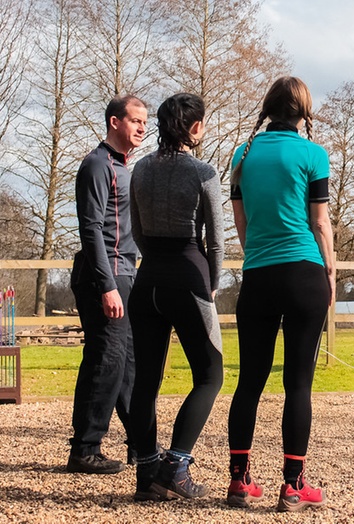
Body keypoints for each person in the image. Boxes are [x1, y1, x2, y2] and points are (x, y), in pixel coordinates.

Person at [226, 76, 335, 512]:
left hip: (258, 273)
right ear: (303, 113)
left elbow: (241, 223)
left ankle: (239, 481)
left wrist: (256, 255)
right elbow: (321, 223)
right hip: (303, 271)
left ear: (268, 109)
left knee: (249, 380)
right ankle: (293, 486)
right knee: (298, 383)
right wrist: (329, 273)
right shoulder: (313, 154)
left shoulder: (243, 154)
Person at [127, 93, 225, 501]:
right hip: (188, 278)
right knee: (210, 375)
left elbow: (136, 230)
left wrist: (154, 262)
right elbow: (216, 241)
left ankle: (147, 472)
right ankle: (176, 466)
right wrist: (213, 282)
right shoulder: (204, 172)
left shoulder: (139, 171)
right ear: (195, 128)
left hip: (147, 280)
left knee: (145, 380)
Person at [68, 95, 147, 474]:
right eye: (135, 120)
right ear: (115, 122)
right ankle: (84, 449)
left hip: (126, 274)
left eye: (145, 122)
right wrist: (107, 285)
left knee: (129, 362)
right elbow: (91, 229)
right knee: (106, 359)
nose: (142, 127)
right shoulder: (98, 165)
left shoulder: (124, 166)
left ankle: (141, 445)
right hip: (105, 276)